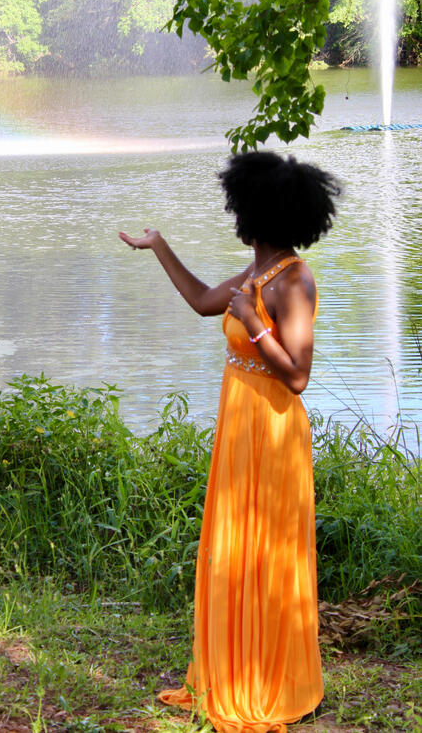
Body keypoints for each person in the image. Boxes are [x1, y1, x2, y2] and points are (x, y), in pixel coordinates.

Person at [119, 151, 340, 733]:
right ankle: (235, 672)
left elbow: (297, 376)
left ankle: (272, 682)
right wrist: (159, 246)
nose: (235, 217)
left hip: (273, 430)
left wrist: (256, 321)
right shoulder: (255, 273)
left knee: (268, 552)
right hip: (241, 427)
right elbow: (200, 303)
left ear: (257, 215)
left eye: (239, 209)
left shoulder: (293, 279)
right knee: (235, 550)